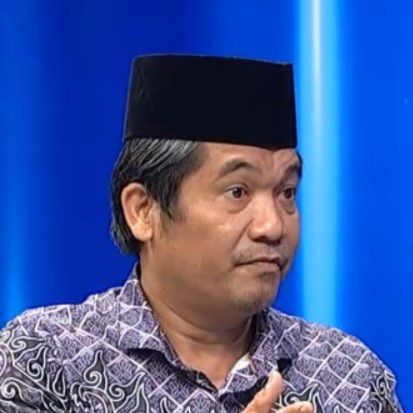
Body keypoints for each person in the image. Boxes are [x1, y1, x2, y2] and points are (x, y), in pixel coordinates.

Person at [0, 55, 403, 413]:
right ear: (143, 210)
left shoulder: (351, 377)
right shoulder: (46, 359)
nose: (272, 226)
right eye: (238, 192)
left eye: (286, 192)